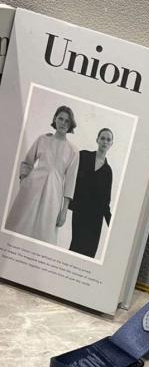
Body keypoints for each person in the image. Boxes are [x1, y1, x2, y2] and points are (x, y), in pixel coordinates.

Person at [5, 106, 79, 245]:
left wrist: (64, 212)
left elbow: (70, 183)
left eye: (67, 121)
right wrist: (24, 182)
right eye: (60, 119)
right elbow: (27, 163)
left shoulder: (73, 151)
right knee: (19, 228)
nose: (63, 123)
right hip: (30, 190)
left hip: (53, 196)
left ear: (71, 124)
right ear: (55, 119)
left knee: (44, 236)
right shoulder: (42, 139)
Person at [68, 128, 114, 258]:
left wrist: (111, 225)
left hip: (96, 219)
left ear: (111, 144)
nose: (105, 142)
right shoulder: (83, 156)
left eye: (108, 139)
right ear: (97, 140)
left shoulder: (108, 171)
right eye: (102, 138)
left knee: (88, 254)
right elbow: (68, 173)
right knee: (75, 247)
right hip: (80, 213)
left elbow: (106, 202)